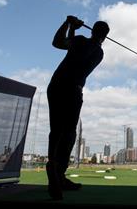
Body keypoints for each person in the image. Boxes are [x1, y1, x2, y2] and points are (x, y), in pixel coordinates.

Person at [46, 15, 109, 200]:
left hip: (56, 85)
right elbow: (67, 46)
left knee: (56, 130)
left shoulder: (82, 43)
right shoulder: (98, 52)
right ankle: (58, 172)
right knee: (68, 132)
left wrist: (69, 25)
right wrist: (71, 26)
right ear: (104, 36)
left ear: (92, 31)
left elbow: (58, 43)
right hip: (72, 90)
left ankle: (55, 170)